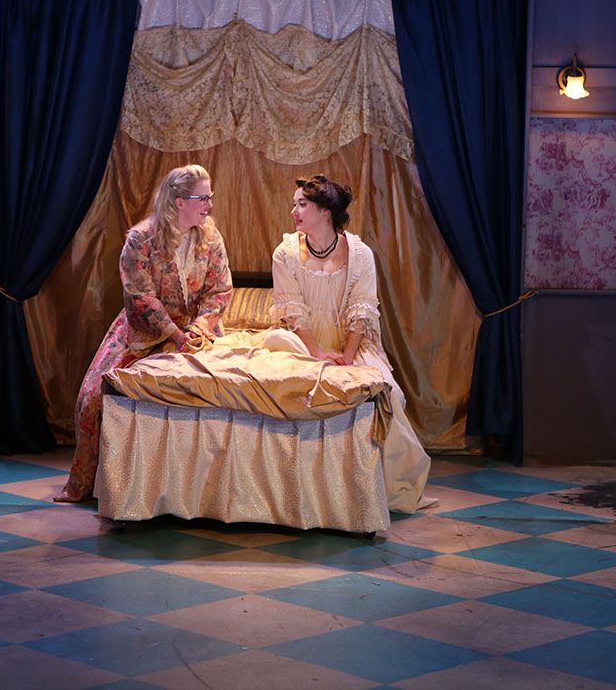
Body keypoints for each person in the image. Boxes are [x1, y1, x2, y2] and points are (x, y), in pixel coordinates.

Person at [55, 164, 233, 502]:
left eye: (210, 197)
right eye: (203, 198)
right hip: (147, 329)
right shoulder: (141, 238)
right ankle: (89, 485)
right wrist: (173, 334)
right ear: (179, 201)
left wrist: (197, 329)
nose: (209, 204)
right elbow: (140, 296)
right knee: (94, 397)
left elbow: (220, 289)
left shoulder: (210, 236)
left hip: (199, 332)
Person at [271, 174, 432, 512]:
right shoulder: (285, 253)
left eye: (302, 204)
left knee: (388, 391)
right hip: (301, 341)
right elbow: (293, 309)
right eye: (295, 204)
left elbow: (361, 308)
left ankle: (376, 490)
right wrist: (317, 353)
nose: (294, 211)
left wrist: (346, 356)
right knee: (287, 384)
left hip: (350, 343)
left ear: (325, 211)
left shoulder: (360, 254)